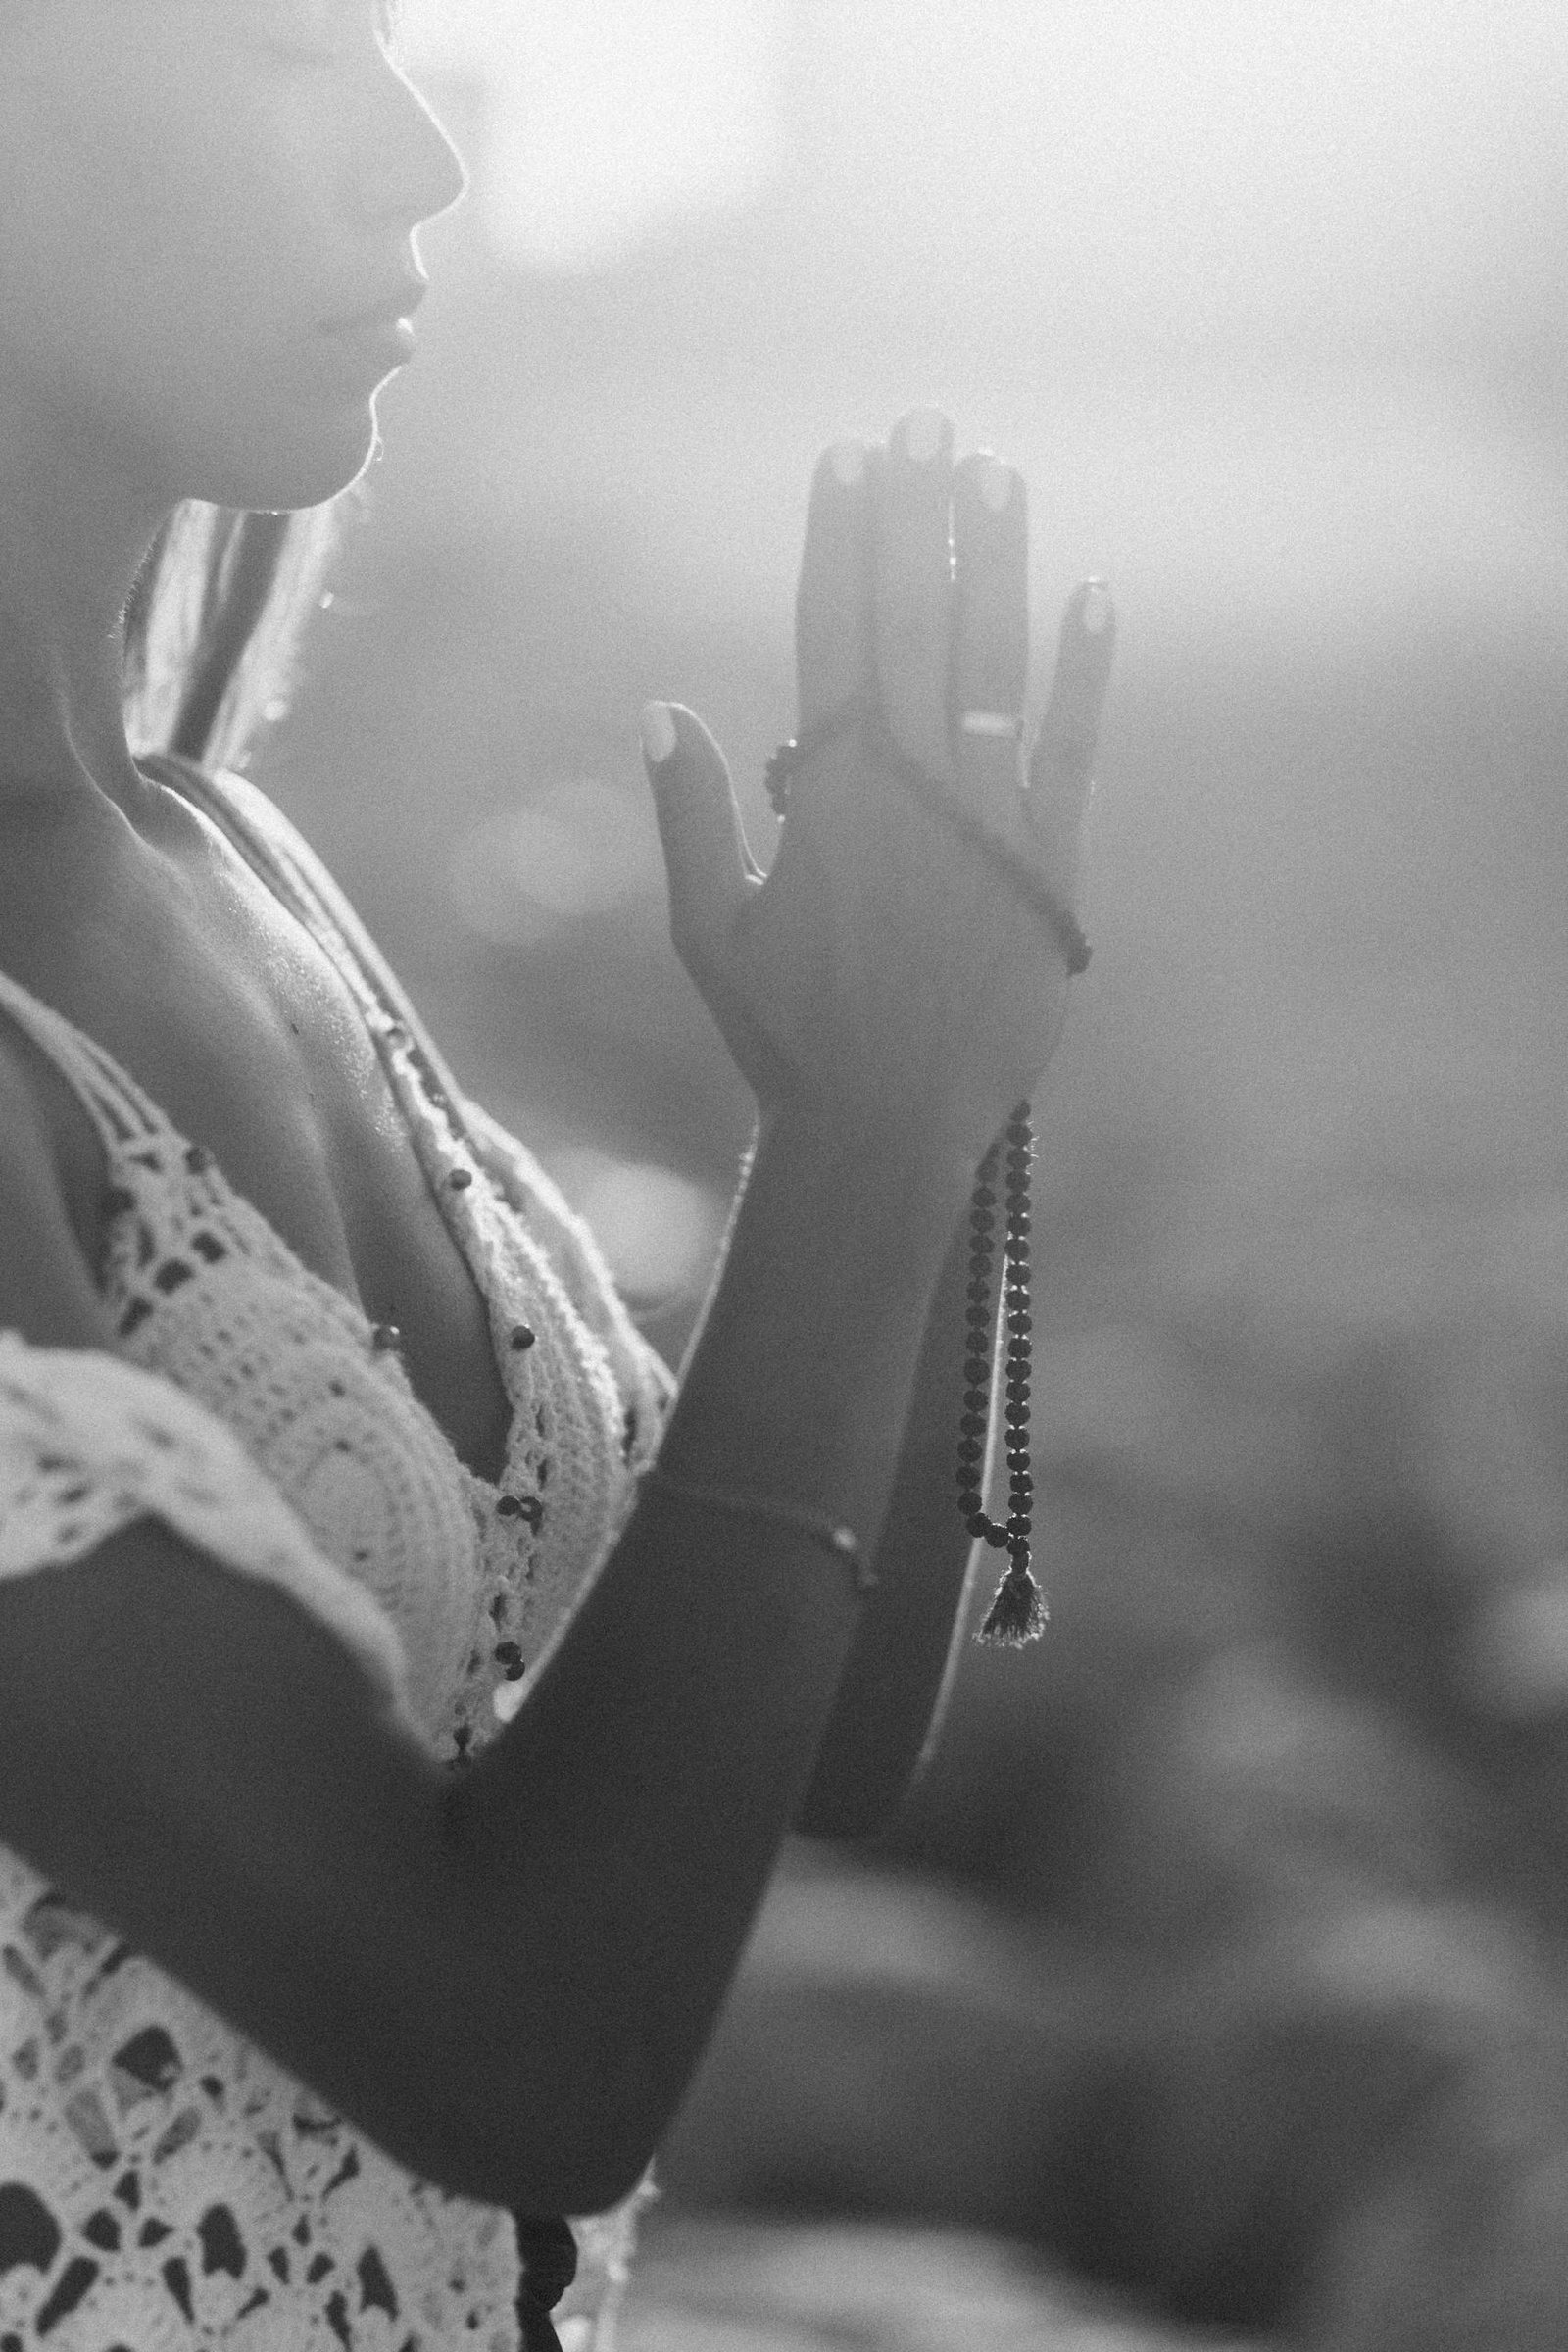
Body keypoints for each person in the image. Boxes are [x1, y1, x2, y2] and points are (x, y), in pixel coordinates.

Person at [0, 6, 1113, 2348]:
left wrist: (941, 1064)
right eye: (284, 45)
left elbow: (791, 1739)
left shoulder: (225, 854)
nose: (417, 159)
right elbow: (524, 2048)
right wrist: (858, 1137)